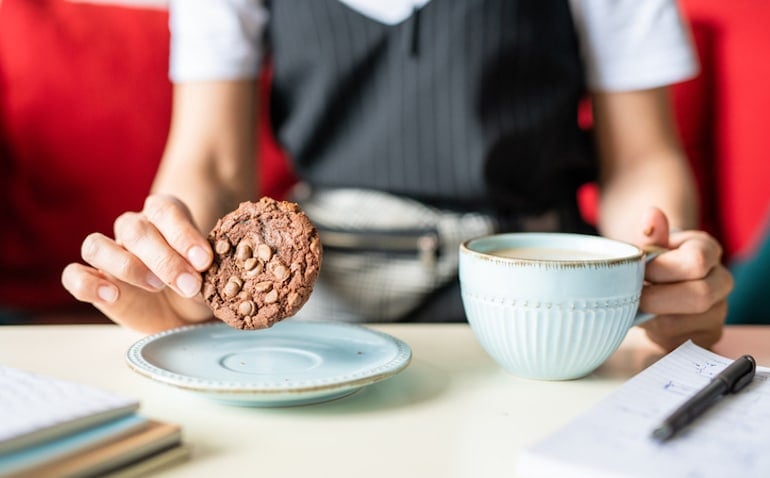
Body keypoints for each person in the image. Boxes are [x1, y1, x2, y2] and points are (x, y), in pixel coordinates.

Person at [61, 0, 733, 351]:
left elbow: (643, 160)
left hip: (542, 301)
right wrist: (182, 261)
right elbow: (211, 162)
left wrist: (660, 269)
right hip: (327, 314)